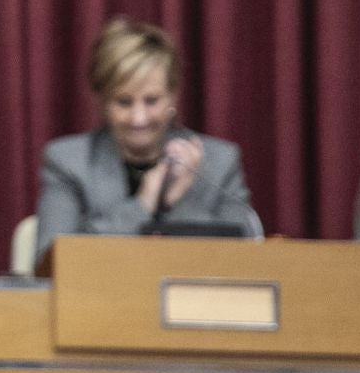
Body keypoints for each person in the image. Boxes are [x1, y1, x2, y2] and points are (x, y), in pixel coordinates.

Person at [33, 17, 255, 268]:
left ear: (173, 95)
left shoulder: (220, 162)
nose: (139, 119)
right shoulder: (68, 162)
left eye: (151, 101)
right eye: (124, 102)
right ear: (103, 102)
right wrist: (143, 204)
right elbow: (51, 264)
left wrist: (178, 202)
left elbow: (241, 261)